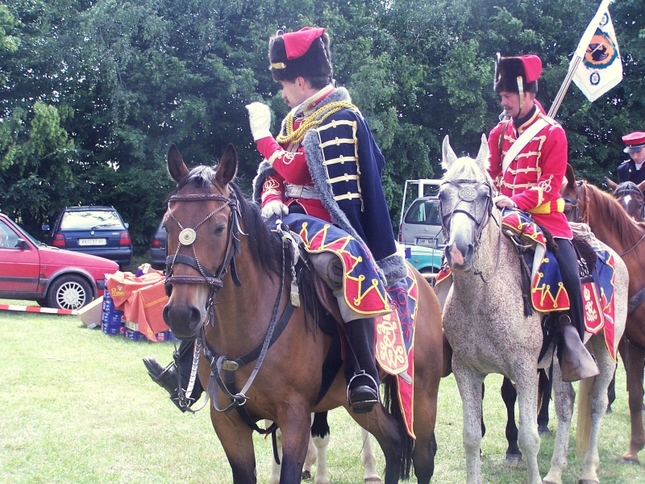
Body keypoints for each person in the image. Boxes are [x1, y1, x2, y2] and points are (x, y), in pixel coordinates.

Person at [145, 26, 405, 415]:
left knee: (347, 263)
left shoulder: (340, 117)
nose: (282, 93)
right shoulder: (295, 120)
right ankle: (186, 369)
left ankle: (361, 372)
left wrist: (262, 137)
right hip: (285, 219)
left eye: (284, 84)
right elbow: (273, 174)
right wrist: (269, 200)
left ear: (301, 80)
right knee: (221, 260)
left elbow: (299, 169)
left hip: (327, 223)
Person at [487, 53, 600, 382]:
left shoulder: (553, 134)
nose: (504, 102)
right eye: (502, 96)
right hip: (502, 215)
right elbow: (493, 173)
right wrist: (495, 194)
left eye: (508, 95)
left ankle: (573, 348)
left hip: (546, 219)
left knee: (569, 272)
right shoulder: (499, 134)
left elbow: (550, 187)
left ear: (526, 94)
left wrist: (515, 200)